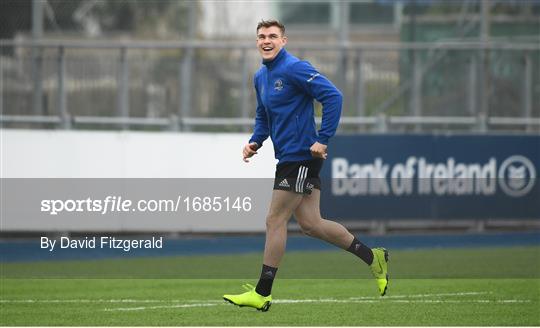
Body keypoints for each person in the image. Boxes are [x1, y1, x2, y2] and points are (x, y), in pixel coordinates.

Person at [223, 19, 388, 312]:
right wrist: (255, 141)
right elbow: (263, 114)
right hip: (287, 157)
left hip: (301, 156)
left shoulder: (295, 68)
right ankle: (372, 257)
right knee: (311, 224)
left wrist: (323, 138)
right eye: (261, 36)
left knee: (275, 220)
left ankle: (262, 293)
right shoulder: (261, 76)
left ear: (283, 40)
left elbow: (333, 96)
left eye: (272, 36)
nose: (266, 40)